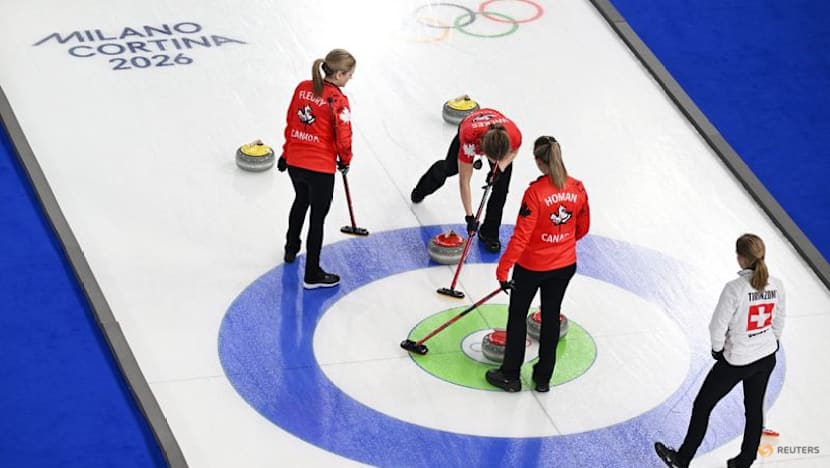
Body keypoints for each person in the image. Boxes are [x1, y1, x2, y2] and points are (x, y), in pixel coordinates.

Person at [655, 233, 786, 468]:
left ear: (741, 259)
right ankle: (744, 461)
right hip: (765, 357)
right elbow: (779, 321)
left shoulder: (734, 289)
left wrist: (718, 350)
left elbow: (717, 326)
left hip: (736, 361)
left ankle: (682, 459)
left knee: (703, 405)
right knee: (754, 411)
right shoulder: (777, 285)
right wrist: (768, 342)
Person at [485, 136, 590, 392]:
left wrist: (503, 269)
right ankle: (543, 378)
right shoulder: (577, 188)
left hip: (532, 267)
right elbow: (583, 227)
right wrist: (561, 243)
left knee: (518, 317)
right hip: (564, 265)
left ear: (538, 161)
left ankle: (510, 375)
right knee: (551, 318)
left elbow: (521, 236)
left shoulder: (535, 193)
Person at [280, 48, 355, 289]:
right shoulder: (338, 100)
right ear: (340, 74)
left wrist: (285, 152)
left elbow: (291, 120)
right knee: (317, 219)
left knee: (300, 200)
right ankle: (312, 273)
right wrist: (346, 159)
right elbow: (344, 136)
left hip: (295, 162)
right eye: (350, 74)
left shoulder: (303, 87)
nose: (351, 79)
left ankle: (291, 249)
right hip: (320, 168)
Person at [410, 106, 521, 252]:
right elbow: (464, 181)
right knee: (450, 168)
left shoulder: (514, 135)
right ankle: (422, 189)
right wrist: (470, 217)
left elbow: (514, 151)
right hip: (470, 126)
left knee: (501, 186)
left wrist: (501, 166)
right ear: (482, 148)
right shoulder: (469, 139)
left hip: (496, 137)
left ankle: (489, 232)